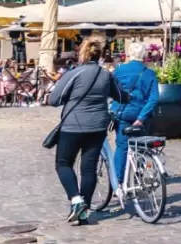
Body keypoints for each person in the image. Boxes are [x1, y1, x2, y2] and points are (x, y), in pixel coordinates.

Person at [47, 37, 126, 226]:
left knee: (63, 163)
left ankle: (76, 200)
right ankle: (84, 211)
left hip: (73, 126)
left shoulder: (74, 73)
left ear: (82, 53)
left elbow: (53, 100)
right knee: (88, 168)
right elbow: (122, 96)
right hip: (97, 126)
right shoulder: (106, 75)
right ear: (100, 54)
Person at [108, 42, 159, 189]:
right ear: (144, 55)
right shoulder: (149, 73)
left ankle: (117, 182)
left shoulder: (119, 71)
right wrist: (141, 118)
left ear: (129, 54)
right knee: (142, 147)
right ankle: (139, 177)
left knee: (122, 147)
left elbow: (112, 92)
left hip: (122, 113)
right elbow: (153, 98)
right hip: (141, 114)